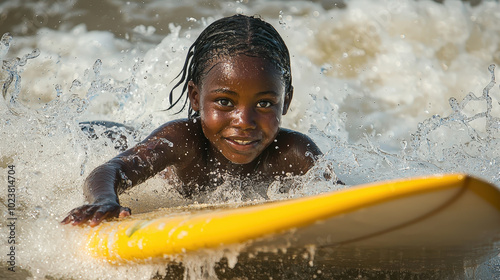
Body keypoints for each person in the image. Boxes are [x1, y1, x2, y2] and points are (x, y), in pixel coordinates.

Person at [62, 14, 325, 227]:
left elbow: (343, 200)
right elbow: (109, 170)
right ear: (196, 97)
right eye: (225, 102)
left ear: (286, 101)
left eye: (264, 103)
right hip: (105, 136)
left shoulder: (295, 153)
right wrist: (105, 200)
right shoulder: (181, 140)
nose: (244, 121)